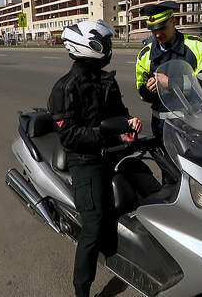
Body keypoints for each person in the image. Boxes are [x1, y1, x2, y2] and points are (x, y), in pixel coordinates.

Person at [48, 20, 161, 297]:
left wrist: (129, 125)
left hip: (115, 152)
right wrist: (106, 133)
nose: (109, 48)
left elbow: (119, 113)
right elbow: (70, 136)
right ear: (89, 47)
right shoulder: (65, 88)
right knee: (94, 224)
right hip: (87, 160)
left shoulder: (105, 80)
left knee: (154, 191)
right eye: (105, 43)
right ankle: (81, 290)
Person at [135, 1, 202, 181]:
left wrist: (170, 83)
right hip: (164, 127)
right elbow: (140, 89)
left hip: (194, 125)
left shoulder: (197, 46)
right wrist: (149, 89)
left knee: (200, 177)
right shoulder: (145, 54)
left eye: (162, 27)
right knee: (171, 177)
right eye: (153, 29)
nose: (157, 33)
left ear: (173, 22)